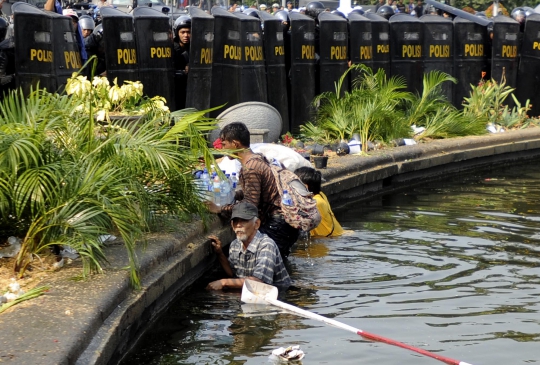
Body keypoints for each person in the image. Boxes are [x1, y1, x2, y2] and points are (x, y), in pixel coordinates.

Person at [206, 122, 300, 258]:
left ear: (235, 143)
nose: (222, 148)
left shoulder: (251, 168)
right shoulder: (257, 159)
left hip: (277, 224)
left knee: (263, 271)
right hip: (285, 223)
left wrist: (220, 209)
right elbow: (256, 190)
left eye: (224, 144)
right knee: (277, 267)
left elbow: (249, 206)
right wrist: (235, 194)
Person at [206, 201, 292, 290]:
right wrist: (220, 254)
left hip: (278, 293)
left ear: (257, 224)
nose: (238, 225)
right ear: (232, 225)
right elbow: (233, 273)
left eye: (244, 220)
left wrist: (224, 282)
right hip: (251, 293)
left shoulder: (266, 245)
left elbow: (258, 281)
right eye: (235, 221)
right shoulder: (235, 245)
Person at [294, 167, 343, 237]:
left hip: (328, 240)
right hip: (338, 235)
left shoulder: (314, 203)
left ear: (305, 186)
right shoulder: (320, 195)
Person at [173, 15, 191, 110]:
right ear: (177, 33)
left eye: (188, 32)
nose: (186, 35)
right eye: (182, 32)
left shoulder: (194, 48)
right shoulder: (172, 48)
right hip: (176, 88)